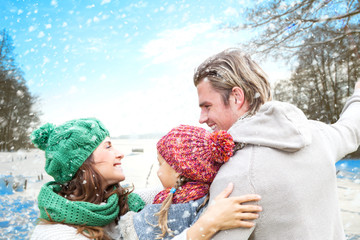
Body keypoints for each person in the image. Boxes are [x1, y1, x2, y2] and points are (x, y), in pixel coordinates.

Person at [174, 48, 360, 240]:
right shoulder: (318, 135)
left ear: (237, 97)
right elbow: (351, 128)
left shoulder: (236, 176)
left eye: (207, 106)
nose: (201, 118)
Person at [29, 118, 262, 240]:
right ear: (82, 164)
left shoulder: (118, 204)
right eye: (108, 146)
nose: (120, 153)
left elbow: (177, 188)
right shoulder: (55, 234)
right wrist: (206, 226)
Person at [116, 124, 261, 240]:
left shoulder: (169, 209)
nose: (158, 171)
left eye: (160, 164)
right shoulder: (205, 198)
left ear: (178, 170)